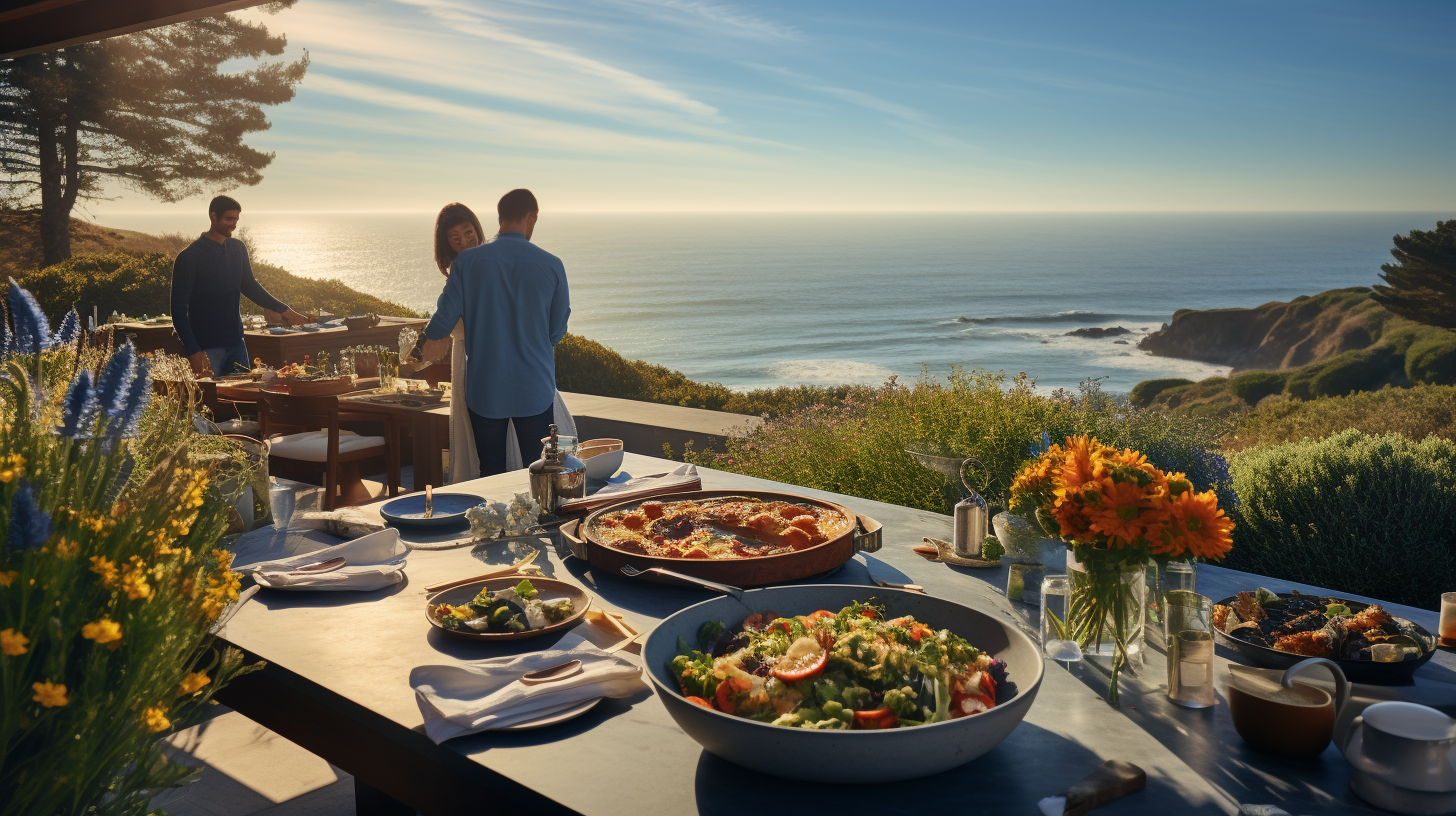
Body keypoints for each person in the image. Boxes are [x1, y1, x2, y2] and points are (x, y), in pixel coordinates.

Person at [421, 190, 571, 477]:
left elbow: (442, 323)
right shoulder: (553, 265)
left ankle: (496, 522)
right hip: (534, 387)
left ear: (499, 217)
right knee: (538, 471)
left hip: (487, 388)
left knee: (491, 470)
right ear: (531, 217)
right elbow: (555, 332)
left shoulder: (465, 263)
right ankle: (537, 522)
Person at [170, 195, 313, 376]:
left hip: (237, 344)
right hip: (206, 347)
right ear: (213, 216)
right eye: (229, 219)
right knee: (212, 402)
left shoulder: (238, 249)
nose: (233, 224)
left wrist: (286, 311)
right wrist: (193, 351)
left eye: (236, 219)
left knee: (245, 399)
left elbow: (250, 286)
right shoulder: (190, 257)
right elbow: (178, 309)